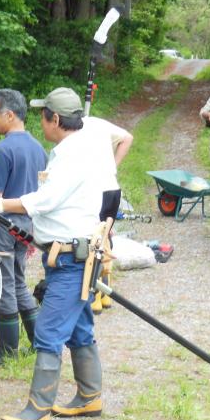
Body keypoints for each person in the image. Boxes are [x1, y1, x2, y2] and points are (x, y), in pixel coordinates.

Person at [0, 87, 105, 420]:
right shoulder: (70, 151)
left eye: (44, 115)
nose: (41, 121)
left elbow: (46, 200)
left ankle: (38, 409)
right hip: (68, 252)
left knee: (48, 331)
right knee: (78, 327)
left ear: (55, 119)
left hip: (74, 258)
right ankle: (89, 395)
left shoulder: (73, 156)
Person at [0, 89, 47, 367]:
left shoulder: (3, 149)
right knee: (17, 281)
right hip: (27, 228)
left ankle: (6, 352)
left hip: (4, 226)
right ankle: (38, 341)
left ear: (9, 114)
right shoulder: (39, 148)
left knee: (3, 285)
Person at [81, 115, 133, 314]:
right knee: (106, 236)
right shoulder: (99, 122)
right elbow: (127, 137)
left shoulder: (74, 130)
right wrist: (114, 165)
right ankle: (105, 294)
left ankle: (94, 295)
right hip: (112, 187)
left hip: (95, 189)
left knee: (94, 240)